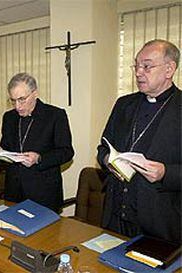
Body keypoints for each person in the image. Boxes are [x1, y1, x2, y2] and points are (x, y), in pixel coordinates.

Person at [97, 39, 181, 242]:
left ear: (169, 69)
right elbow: (102, 148)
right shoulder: (124, 104)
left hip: (160, 221)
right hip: (115, 216)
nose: (138, 72)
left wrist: (165, 173)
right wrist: (108, 160)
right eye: (136, 65)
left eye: (147, 66)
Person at [0, 73, 74, 212]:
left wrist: (39, 158)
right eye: (13, 100)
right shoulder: (9, 118)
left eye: (22, 99)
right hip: (14, 190)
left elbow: (66, 152)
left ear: (35, 93)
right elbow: (6, 146)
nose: (17, 106)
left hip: (43, 192)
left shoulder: (55, 115)